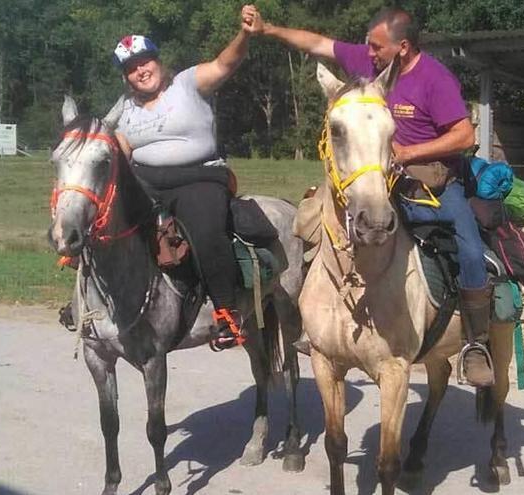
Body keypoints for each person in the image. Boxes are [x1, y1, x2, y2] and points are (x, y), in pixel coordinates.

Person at [242, 6, 495, 386]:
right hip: (372, 179)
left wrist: (408, 153)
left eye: (376, 47)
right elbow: (317, 44)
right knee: (311, 223)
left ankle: (476, 343)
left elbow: (465, 136)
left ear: (403, 47)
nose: (368, 53)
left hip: (431, 184)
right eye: (368, 45)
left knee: (471, 250)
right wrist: (268, 29)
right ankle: (318, 320)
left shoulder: (434, 79)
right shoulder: (369, 60)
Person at [111, 18, 252, 351]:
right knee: (106, 224)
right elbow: (118, 150)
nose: (141, 70)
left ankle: (226, 314)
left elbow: (226, 62)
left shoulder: (187, 83)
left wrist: (244, 32)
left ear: (158, 61)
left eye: (144, 61)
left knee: (204, 230)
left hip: (198, 177)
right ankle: (95, 302)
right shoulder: (125, 111)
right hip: (146, 183)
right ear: (126, 77)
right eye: (131, 68)